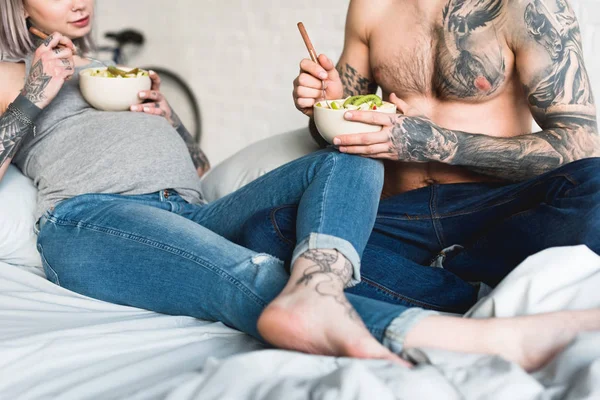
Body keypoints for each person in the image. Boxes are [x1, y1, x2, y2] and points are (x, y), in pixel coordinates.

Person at [1, 0, 599, 372]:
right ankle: (454, 332)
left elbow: (201, 168)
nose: (80, 1)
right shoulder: (15, 74)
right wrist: (34, 92)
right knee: (252, 271)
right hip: (93, 215)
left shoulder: (120, 78)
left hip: (190, 210)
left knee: (351, 161)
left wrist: (169, 119)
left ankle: (323, 283)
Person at [245, 0, 600, 313]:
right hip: (399, 211)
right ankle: (463, 291)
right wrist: (326, 105)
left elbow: (582, 143)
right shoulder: (372, 6)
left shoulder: (528, 6)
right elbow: (342, 135)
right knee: (268, 232)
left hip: (493, 209)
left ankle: (422, 278)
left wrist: (441, 143)